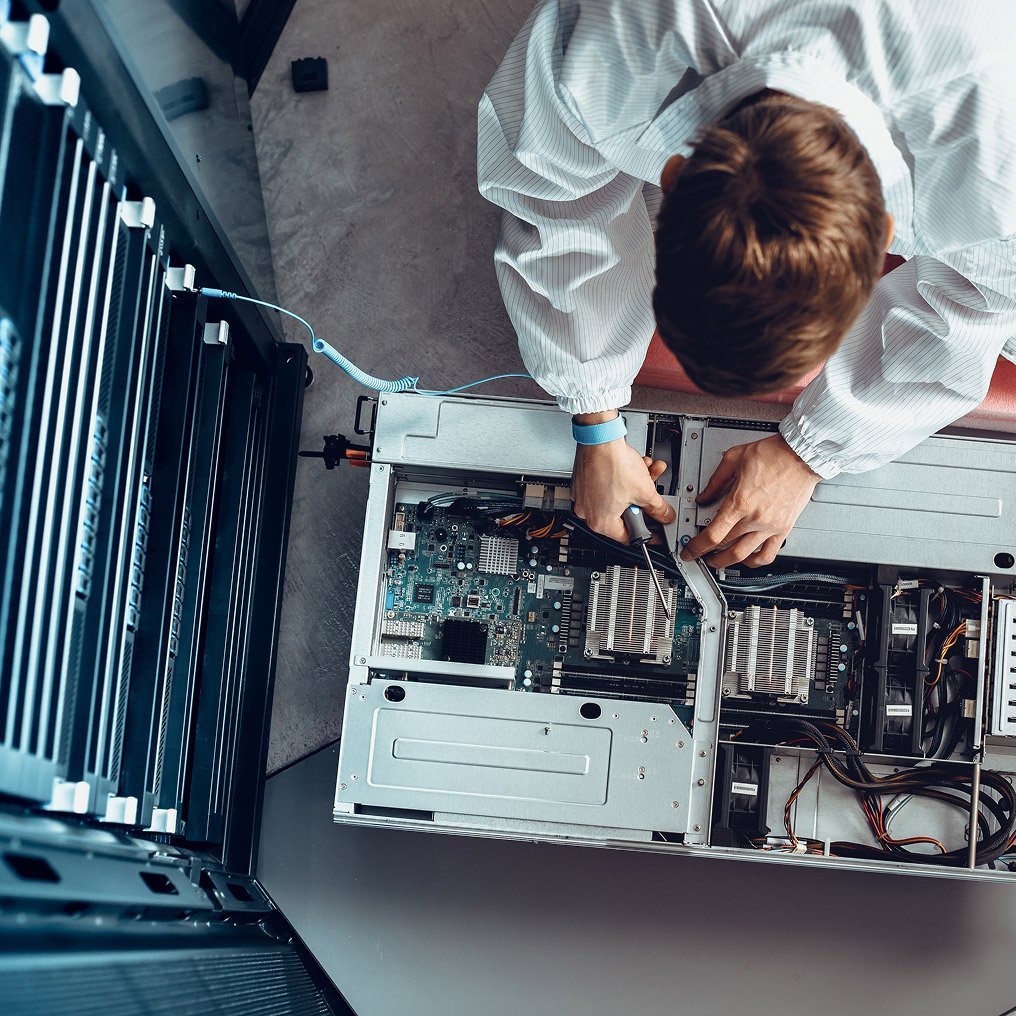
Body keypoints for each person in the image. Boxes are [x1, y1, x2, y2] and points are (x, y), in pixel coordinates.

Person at [477, 0, 1016, 567]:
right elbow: (552, 203)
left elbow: (980, 303)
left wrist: (810, 451)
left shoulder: (997, 163)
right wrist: (594, 415)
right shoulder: (603, 46)